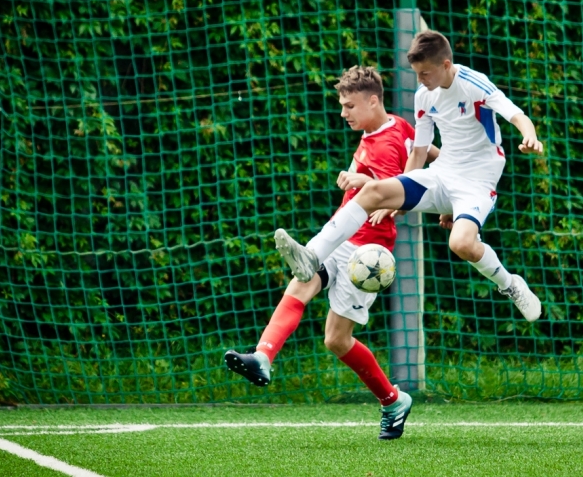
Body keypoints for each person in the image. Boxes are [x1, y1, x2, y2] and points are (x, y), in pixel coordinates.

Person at [225, 65, 439, 440]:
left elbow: (399, 199)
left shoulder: (387, 143)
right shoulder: (395, 127)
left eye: (350, 105)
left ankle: (393, 400)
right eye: (342, 105)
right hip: (341, 239)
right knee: (300, 284)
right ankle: (262, 357)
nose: (344, 112)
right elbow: (429, 154)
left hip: (367, 253)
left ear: (374, 101)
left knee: (336, 340)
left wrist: (367, 181)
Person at [274, 30, 544, 322]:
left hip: (477, 182)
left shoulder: (473, 84)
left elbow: (517, 115)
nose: (420, 80)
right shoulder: (424, 95)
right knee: (374, 192)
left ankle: (510, 285)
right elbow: (418, 152)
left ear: (445, 64)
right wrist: (401, 193)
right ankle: (311, 255)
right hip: (443, 174)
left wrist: (530, 137)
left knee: (461, 244)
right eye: (416, 73)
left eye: (424, 73)